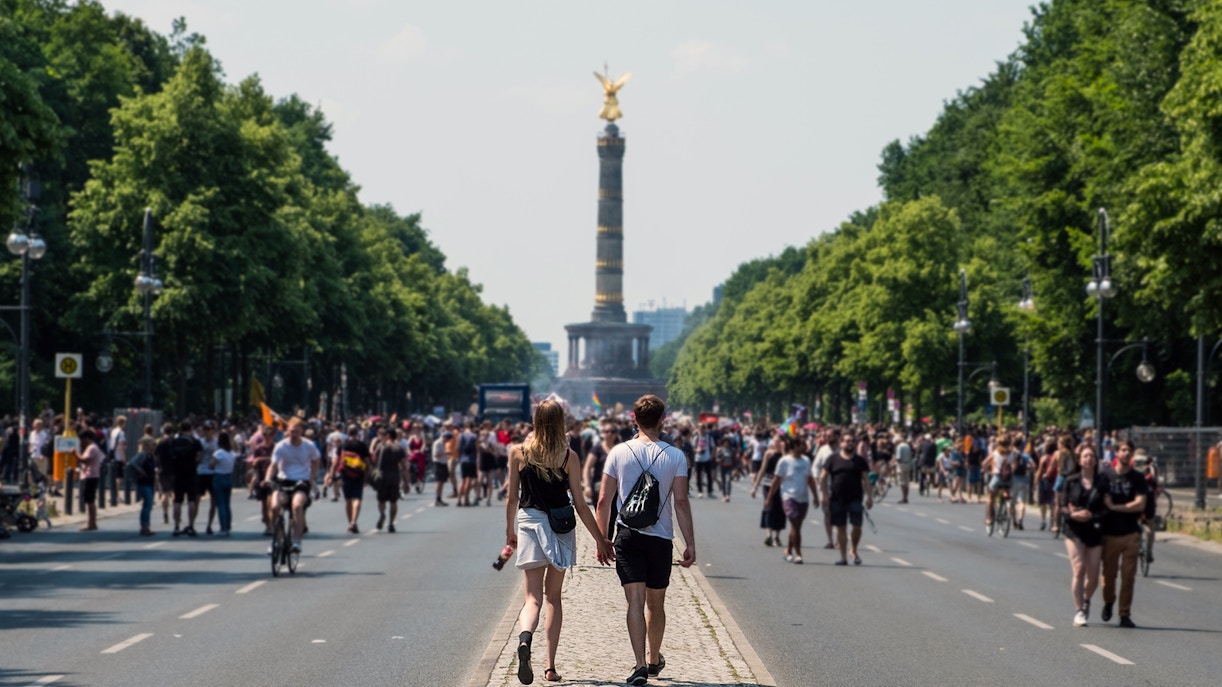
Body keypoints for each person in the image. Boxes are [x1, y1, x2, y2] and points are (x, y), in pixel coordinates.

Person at [505, 400, 612, 685]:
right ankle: (550, 666)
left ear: (536, 421)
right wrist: (600, 539)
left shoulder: (519, 452)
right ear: (561, 422)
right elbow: (580, 502)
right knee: (554, 598)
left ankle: (525, 639)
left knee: (532, 599)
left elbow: (512, 497)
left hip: (529, 525)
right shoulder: (568, 457)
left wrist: (509, 530)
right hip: (560, 527)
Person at [596, 394, 694, 686]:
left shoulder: (618, 452)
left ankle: (639, 665)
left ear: (634, 419)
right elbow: (681, 502)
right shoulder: (675, 456)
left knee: (634, 603)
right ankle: (653, 659)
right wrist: (690, 543)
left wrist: (603, 539)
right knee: (657, 603)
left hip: (627, 535)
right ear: (662, 420)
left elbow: (604, 500)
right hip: (660, 538)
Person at [1098, 439, 1147, 628]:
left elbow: (1140, 503)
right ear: (1117, 452)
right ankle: (1109, 601)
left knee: (1128, 576)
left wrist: (1115, 507)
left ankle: (1124, 613)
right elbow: (1100, 500)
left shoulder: (1137, 478)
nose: (1127, 454)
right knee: (1108, 576)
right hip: (1110, 534)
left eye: (1130, 451)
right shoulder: (1106, 476)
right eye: (1123, 450)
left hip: (1131, 534)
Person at [1060, 444, 1105, 626]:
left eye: (1091, 456)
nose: (1088, 459)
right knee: (1079, 569)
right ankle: (1079, 610)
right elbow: (1062, 505)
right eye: (1085, 456)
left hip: (1094, 529)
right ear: (1079, 460)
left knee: (1093, 576)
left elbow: (1107, 507)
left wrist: (1092, 515)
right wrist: (1073, 514)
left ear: (1095, 460)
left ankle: (1086, 600)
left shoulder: (1102, 482)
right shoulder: (1071, 481)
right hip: (1074, 529)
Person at [263, 418, 320, 553]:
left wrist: (311, 479)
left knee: (297, 505)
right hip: (283, 480)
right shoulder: (281, 446)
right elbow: (273, 465)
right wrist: (267, 479)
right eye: (291, 431)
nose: (293, 434)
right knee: (275, 506)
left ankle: (296, 540)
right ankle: (277, 539)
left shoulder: (309, 445)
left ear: (301, 431)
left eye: (296, 431)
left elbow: (316, 461)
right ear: (287, 431)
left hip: (301, 481)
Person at [765, 435, 819, 564]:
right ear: (794, 446)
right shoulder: (784, 461)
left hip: (803, 498)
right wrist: (769, 498)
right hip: (789, 497)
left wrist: (816, 496)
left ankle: (788, 550)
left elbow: (810, 480)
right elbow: (776, 480)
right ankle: (798, 554)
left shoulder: (806, 460)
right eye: (802, 444)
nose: (805, 446)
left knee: (797, 527)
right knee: (795, 524)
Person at [821, 431, 872, 565]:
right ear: (841, 443)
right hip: (837, 498)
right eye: (847, 441)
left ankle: (853, 549)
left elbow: (866, 479)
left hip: (855, 498)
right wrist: (825, 494)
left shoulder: (860, 460)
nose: (850, 443)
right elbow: (822, 477)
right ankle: (843, 557)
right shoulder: (833, 459)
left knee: (857, 526)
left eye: (852, 441)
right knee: (841, 527)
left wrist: (870, 497)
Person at [168, 421, 204, 536]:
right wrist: (194, 465)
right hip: (191, 473)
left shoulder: (174, 441)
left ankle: (176, 526)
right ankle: (191, 525)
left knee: (177, 501)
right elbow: (199, 458)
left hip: (178, 474)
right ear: (191, 429)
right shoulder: (195, 442)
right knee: (191, 501)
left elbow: (170, 456)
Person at [331, 425, 369, 533]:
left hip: (345, 474)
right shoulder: (362, 445)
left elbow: (336, 461)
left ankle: (350, 522)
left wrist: (331, 475)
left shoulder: (343, 444)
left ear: (348, 433)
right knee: (357, 498)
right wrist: (367, 475)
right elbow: (367, 462)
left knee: (347, 499)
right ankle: (354, 521)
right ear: (357, 433)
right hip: (358, 474)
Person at [750, 435, 786, 547]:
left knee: (779, 509)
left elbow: (787, 465)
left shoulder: (785, 455)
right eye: (775, 441)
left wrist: (783, 451)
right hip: (767, 483)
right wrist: (755, 486)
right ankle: (769, 535)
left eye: (779, 441)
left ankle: (777, 536)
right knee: (769, 507)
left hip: (781, 485)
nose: (777, 443)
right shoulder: (768, 453)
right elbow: (763, 469)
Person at [374, 427, 406, 532]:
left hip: (382, 476)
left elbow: (373, 459)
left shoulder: (380, 446)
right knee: (393, 501)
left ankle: (382, 514)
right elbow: (404, 466)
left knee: (381, 500)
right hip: (394, 476)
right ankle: (391, 523)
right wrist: (407, 482)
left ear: (388, 435)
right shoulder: (399, 448)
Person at [126, 436, 158, 536]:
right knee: (147, 504)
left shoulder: (151, 455)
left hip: (150, 482)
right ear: (147, 444)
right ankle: (144, 526)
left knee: (149, 505)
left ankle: (147, 526)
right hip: (144, 483)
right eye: (153, 444)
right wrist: (141, 472)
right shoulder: (142, 455)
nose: (154, 446)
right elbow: (131, 463)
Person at [74, 428, 104, 531]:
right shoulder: (91, 447)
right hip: (89, 475)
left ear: (87, 438)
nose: (81, 441)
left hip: (90, 476)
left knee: (89, 500)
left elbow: (85, 460)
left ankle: (91, 523)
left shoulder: (92, 448)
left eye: (82, 439)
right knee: (89, 500)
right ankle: (92, 522)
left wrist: (76, 453)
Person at [209, 431, 237, 537]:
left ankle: (223, 528)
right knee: (227, 504)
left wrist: (212, 454)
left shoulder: (218, 453)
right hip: (228, 477)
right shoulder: (231, 453)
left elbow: (211, 466)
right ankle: (228, 526)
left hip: (219, 477)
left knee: (220, 504)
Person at [432, 428, 452, 506]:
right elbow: (436, 455)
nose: (447, 441)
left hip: (443, 463)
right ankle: (437, 498)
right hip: (438, 463)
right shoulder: (438, 443)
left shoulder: (443, 443)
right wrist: (445, 453)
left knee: (442, 482)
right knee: (439, 482)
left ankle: (440, 498)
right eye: (448, 439)